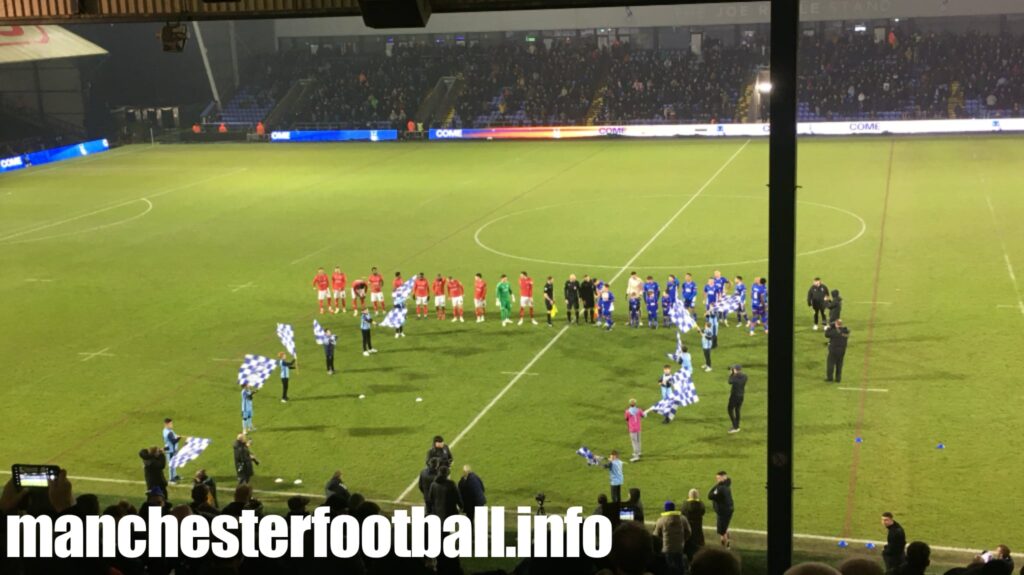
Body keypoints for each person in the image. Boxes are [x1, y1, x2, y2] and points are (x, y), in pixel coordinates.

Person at [654, 500, 691, 575]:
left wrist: (662, 542)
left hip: (666, 549)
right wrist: (683, 540)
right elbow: (689, 532)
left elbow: (655, 536)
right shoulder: (683, 519)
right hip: (679, 547)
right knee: (680, 568)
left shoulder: (661, 520)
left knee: (668, 569)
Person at [708, 471, 734, 548]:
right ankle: (727, 543)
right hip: (728, 510)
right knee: (724, 528)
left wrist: (717, 485)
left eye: (719, 478)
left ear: (723, 478)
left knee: (721, 531)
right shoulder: (726, 485)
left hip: (723, 512)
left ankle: (726, 547)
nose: (717, 480)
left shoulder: (720, 488)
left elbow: (710, 496)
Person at [681, 488, 706, 561]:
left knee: (688, 545)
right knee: (698, 545)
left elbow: (682, 513)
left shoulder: (685, 505)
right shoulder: (701, 504)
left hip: (688, 529)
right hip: (698, 529)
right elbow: (703, 511)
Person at [727, 365, 747, 433]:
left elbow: (729, 381)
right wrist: (734, 373)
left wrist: (731, 374)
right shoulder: (745, 376)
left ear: (735, 370)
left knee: (730, 409)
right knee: (737, 410)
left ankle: (735, 426)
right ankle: (737, 426)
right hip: (741, 396)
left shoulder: (734, 377)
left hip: (734, 396)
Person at [162, 418, 182, 483]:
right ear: (166, 424)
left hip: (172, 449)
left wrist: (177, 436)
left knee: (174, 462)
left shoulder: (167, 430)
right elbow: (173, 441)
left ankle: (175, 475)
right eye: (170, 424)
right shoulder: (168, 433)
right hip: (170, 450)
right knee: (171, 464)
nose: (172, 425)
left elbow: (173, 436)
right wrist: (179, 438)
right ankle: (171, 479)